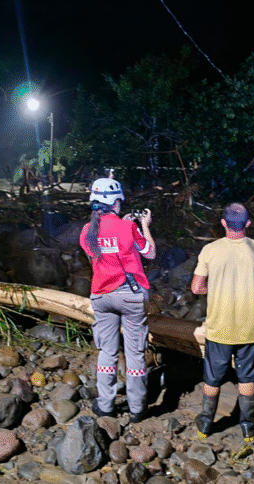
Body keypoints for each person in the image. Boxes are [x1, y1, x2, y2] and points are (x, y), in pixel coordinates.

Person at [190, 203, 254, 442]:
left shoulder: (210, 250)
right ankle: (248, 428)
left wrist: (218, 286)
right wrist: (251, 286)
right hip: (250, 328)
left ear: (223, 222)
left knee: (212, 377)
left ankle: (206, 424)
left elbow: (196, 287)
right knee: (247, 378)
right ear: (248, 224)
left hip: (218, 328)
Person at [79, 177, 156, 423]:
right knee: (134, 353)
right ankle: (137, 409)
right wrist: (145, 225)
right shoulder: (127, 227)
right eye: (119, 200)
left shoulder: (85, 230)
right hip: (130, 296)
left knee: (107, 352)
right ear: (114, 201)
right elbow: (150, 253)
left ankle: (105, 406)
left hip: (101, 296)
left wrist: (122, 226)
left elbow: (102, 251)